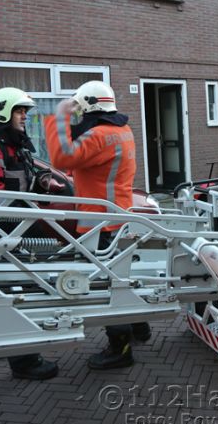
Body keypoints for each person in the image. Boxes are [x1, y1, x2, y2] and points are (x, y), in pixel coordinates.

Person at [44, 80, 150, 370]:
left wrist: (59, 117)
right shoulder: (121, 131)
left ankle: (121, 349)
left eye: (80, 112)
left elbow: (61, 156)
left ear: (89, 106)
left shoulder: (99, 135)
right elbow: (86, 163)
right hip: (118, 218)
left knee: (108, 287)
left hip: (101, 225)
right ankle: (140, 327)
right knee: (121, 277)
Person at [0, 87, 59, 380]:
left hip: (18, 224)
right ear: (3, 112)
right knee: (17, 291)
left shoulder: (15, 144)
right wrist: (24, 208)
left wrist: (43, 187)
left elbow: (24, 185)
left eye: (25, 111)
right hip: (5, 228)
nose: (24, 116)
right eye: (20, 111)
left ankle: (5, 346)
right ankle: (24, 361)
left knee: (20, 287)